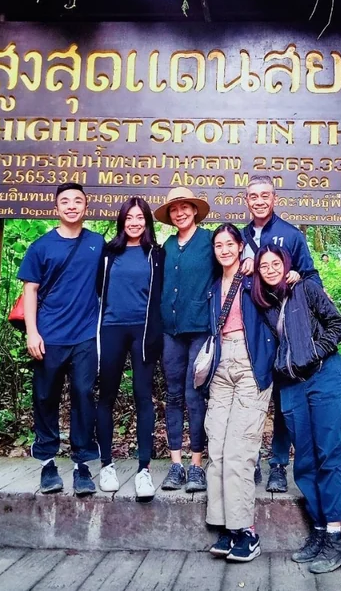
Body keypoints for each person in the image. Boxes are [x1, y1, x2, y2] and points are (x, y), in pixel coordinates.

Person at [252, 244, 341, 575]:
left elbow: (338, 326)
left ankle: (336, 540)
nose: (269, 268)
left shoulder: (306, 288)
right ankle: (319, 532)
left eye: (274, 263)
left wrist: (315, 354)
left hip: (325, 377)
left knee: (328, 454)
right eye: (263, 265)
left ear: (285, 264)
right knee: (305, 460)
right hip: (291, 384)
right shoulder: (263, 304)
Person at [18, 182, 105, 495]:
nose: (71, 206)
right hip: (49, 335)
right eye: (65, 201)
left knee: (83, 394)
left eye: (77, 201)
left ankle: (82, 464)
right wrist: (32, 332)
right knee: (45, 397)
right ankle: (47, 461)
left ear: (85, 206)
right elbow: (30, 290)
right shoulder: (41, 246)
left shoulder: (97, 242)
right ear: (56, 208)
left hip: (85, 334)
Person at [240, 174, 323, 494]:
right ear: (246, 201)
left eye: (265, 196)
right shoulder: (241, 236)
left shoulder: (290, 234)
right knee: (251, 399)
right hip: (251, 329)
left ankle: (277, 464)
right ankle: (251, 460)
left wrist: (298, 275)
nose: (259, 201)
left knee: (284, 401)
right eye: (253, 197)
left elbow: (313, 278)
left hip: (285, 330)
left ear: (274, 199)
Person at [204, 224, 276, 563]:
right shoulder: (212, 285)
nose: (223, 250)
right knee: (216, 447)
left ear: (240, 246)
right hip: (220, 368)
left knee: (239, 449)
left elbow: (278, 304)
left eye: (229, 244)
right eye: (218, 245)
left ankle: (246, 530)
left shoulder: (254, 280)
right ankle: (225, 527)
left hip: (250, 365)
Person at [95, 197, 164, 501]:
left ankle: (144, 469)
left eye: (140, 218)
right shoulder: (108, 253)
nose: (134, 223)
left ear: (147, 221)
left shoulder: (156, 254)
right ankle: (106, 464)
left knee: (142, 395)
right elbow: (99, 288)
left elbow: (161, 293)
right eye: (129, 218)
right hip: (111, 328)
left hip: (144, 330)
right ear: (122, 221)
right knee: (106, 395)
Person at [154, 186, 214, 492]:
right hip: (171, 331)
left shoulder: (209, 240)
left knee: (195, 395)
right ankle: (175, 464)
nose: (180, 213)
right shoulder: (166, 246)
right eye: (174, 209)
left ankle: (196, 465)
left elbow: (233, 267)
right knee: (174, 395)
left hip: (200, 329)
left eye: (185, 208)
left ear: (194, 210)